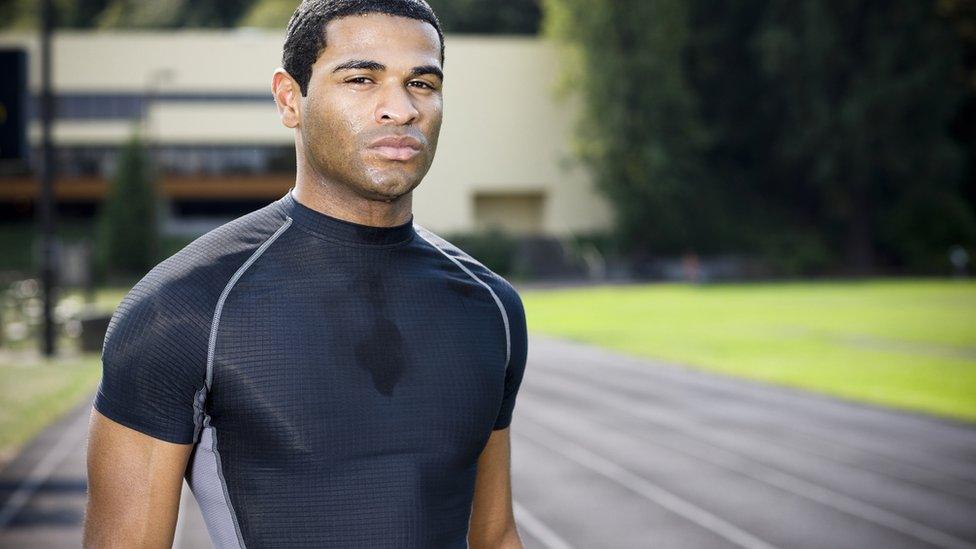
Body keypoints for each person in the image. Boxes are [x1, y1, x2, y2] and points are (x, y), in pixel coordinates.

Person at [82, 1, 528, 547]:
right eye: (361, 79)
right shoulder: (182, 308)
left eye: (421, 83)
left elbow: (495, 535)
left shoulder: (491, 307)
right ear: (290, 99)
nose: (400, 108)